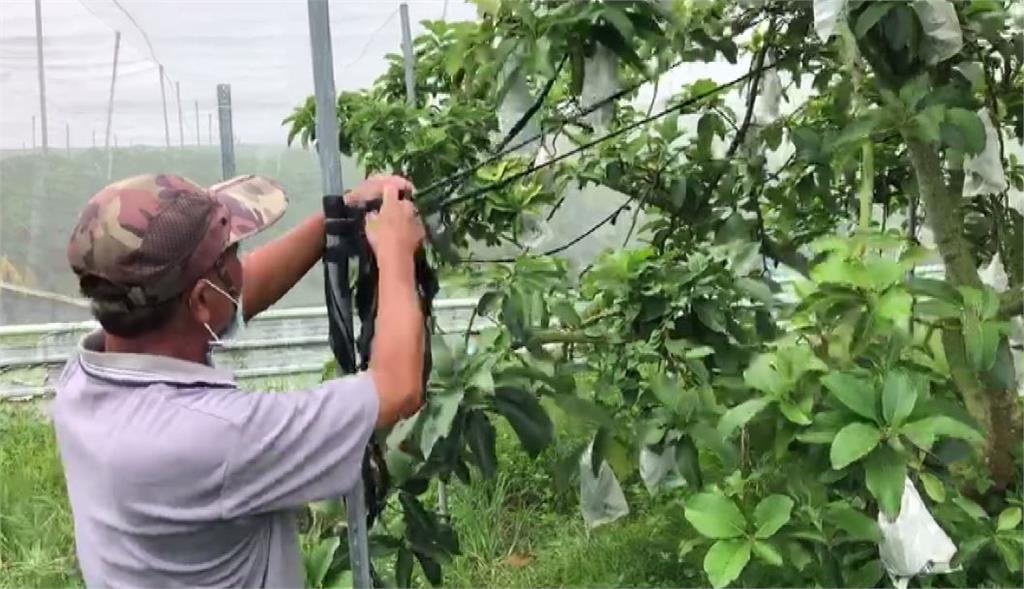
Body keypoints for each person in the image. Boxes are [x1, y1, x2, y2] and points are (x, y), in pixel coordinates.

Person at [52, 172, 426, 588]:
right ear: (199, 300)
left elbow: (232, 297)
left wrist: (335, 219)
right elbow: (396, 386)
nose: (239, 263)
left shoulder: (83, 381)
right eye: (230, 252)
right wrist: (396, 253)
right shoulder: (217, 437)